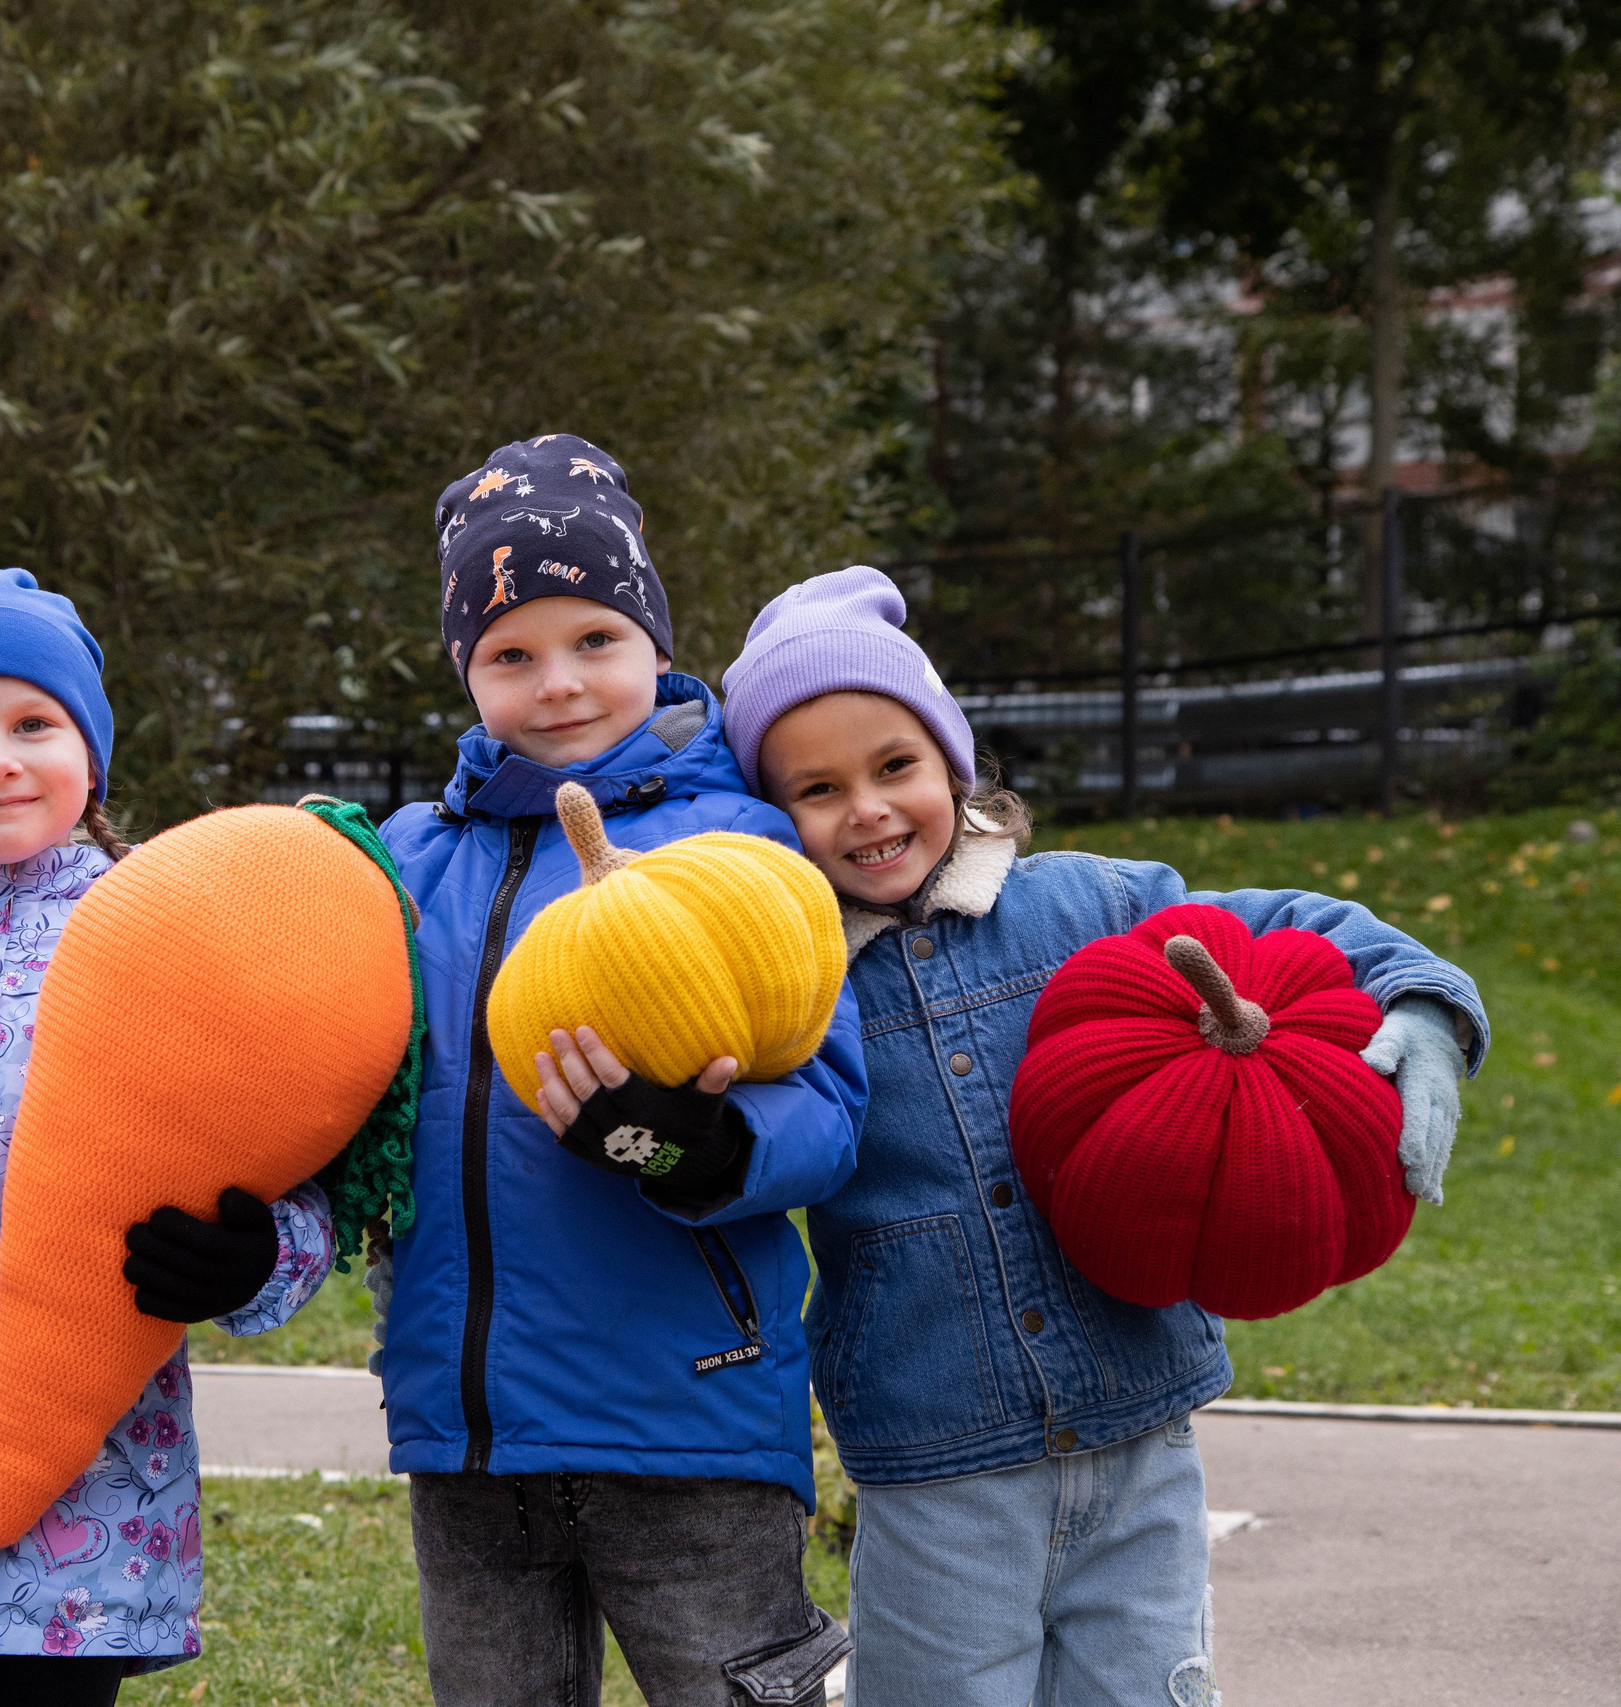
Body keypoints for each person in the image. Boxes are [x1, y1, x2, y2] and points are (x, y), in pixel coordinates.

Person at [720, 564, 1489, 1707]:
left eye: (896, 767)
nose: (870, 809)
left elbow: (1286, 926)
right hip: (937, 1458)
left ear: (954, 764)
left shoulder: (1092, 910)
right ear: (767, 816)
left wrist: (1422, 1002)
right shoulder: (788, 989)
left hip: (1139, 1431)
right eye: (817, 788)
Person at [0, 567, 338, 1705]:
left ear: (90, 752)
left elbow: (288, 1144)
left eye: (33, 722)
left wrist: (252, 1259)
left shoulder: (178, 935)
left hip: (86, 1474)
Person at [374, 434, 867, 1707]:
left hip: (686, 1417)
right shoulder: (411, 862)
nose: (559, 685)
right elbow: (352, 1091)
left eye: (594, 638)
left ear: (653, 636)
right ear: (465, 672)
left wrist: (698, 1149)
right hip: (470, 1430)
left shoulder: (740, 841)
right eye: (509, 655)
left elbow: (825, 1103)